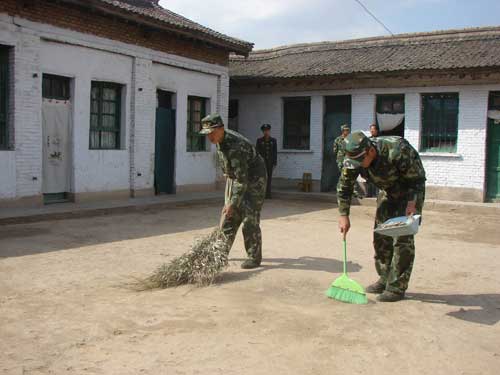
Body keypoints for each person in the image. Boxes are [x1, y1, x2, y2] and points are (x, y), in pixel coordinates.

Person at [337, 132, 426, 302]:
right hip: (387, 191)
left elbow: (417, 180)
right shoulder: (354, 159)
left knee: (402, 237)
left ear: (370, 151)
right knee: (381, 234)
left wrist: (412, 205)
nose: (357, 166)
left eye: (360, 162)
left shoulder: (397, 149)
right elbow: (344, 185)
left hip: (410, 192)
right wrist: (344, 214)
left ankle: (397, 287)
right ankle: (385, 277)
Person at [200, 113, 267, 269]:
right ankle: (221, 253)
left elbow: (242, 180)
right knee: (230, 217)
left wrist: (232, 202)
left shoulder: (236, 146)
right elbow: (229, 168)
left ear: (221, 129)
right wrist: (230, 200)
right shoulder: (219, 140)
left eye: (211, 133)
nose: (209, 137)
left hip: (255, 180)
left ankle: (254, 257)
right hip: (238, 178)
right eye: (207, 134)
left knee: (249, 217)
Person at [256, 124, 277, 199]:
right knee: (262, 178)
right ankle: (262, 194)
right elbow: (257, 152)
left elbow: (275, 152)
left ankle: (268, 194)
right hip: (262, 163)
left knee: (269, 178)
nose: (266, 132)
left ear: (269, 131)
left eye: (267, 130)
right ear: (262, 131)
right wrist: (257, 162)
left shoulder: (273, 141)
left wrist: (274, 162)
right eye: (264, 131)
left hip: (270, 163)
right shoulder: (259, 141)